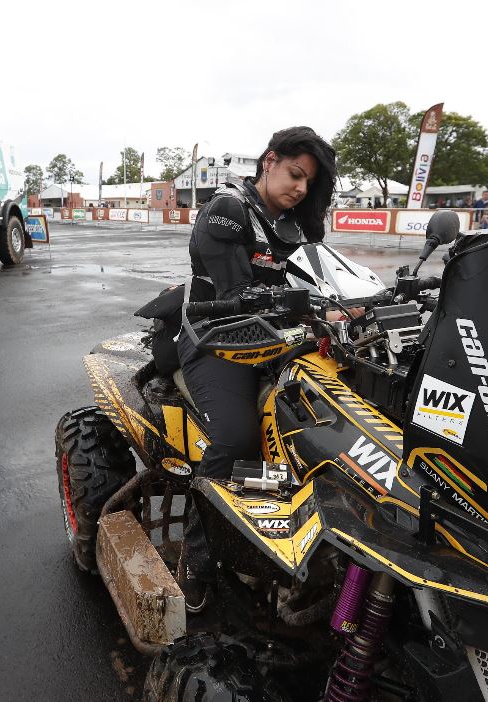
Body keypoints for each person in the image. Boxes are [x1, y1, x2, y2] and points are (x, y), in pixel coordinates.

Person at [172, 126, 337, 611]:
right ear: (269, 160)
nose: (301, 188)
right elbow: (234, 296)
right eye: (295, 174)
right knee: (238, 436)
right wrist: (302, 309)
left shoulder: (294, 225)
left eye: (309, 182)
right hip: (218, 340)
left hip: (276, 340)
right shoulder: (228, 210)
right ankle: (197, 557)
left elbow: (326, 275)